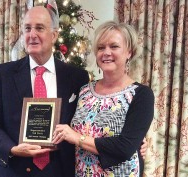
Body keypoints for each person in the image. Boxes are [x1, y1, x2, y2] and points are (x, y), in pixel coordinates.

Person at [0, 5, 89, 177]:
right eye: (27, 28)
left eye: (39, 28)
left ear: (54, 35)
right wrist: (12, 149)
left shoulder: (77, 77)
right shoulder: (3, 74)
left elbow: (90, 121)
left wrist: (133, 140)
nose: (32, 35)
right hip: (14, 170)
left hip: (59, 171)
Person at [52, 21, 154, 177]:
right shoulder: (84, 91)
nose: (106, 52)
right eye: (101, 47)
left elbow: (125, 147)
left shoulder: (141, 95)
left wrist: (77, 138)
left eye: (114, 46)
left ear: (129, 52)